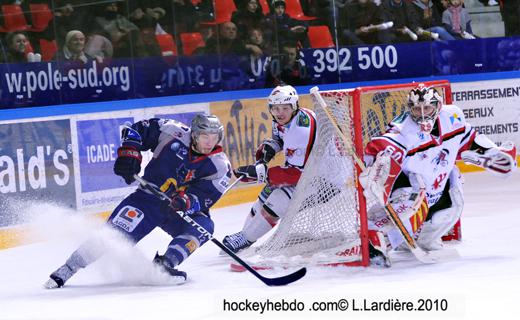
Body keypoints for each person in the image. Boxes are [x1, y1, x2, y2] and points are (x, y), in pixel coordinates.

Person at [44, 115, 232, 288]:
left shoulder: (220, 166)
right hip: (147, 200)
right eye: (205, 136)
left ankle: (164, 265)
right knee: (112, 236)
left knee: (204, 226)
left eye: (214, 137)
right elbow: (135, 131)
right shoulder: (172, 131)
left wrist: (186, 201)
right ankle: (68, 269)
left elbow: (206, 197)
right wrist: (129, 153)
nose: (209, 142)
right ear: (194, 134)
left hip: (176, 209)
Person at [360, 83, 516, 266]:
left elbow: (469, 140)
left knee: (455, 188)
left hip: (437, 192)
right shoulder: (403, 130)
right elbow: (382, 147)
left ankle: (423, 238)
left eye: (427, 108)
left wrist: (491, 152)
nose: (423, 114)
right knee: (414, 199)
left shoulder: (452, 117)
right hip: (410, 192)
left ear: (438, 107)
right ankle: (376, 235)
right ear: (410, 109)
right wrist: (376, 165)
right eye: (417, 109)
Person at [222, 85, 317, 253]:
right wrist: (270, 150)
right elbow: (280, 139)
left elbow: (296, 175)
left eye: (285, 108)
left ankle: (246, 238)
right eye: (275, 108)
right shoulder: (285, 119)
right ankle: (245, 237)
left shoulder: (301, 130)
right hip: (306, 169)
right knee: (265, 195)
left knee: (279, 199)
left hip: (323, 178)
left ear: (294, 107)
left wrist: (260, 174)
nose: (280, 112)